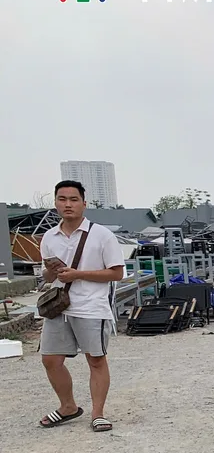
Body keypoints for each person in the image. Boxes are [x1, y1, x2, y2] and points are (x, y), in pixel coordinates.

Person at [37, 180, 126, 432]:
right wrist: (51, 272)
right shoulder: (49, 237)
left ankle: (98, 414)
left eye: (73, 199)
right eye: (62, 199)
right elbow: (46, 276)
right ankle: (68, 406)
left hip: (91, 306)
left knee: (96, 360)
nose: (68, 204)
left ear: (84, 204)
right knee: (50, 360)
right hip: (58, 307)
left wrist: (78, 274)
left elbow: (117, 273)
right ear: (55, 203)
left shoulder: (102, 235)